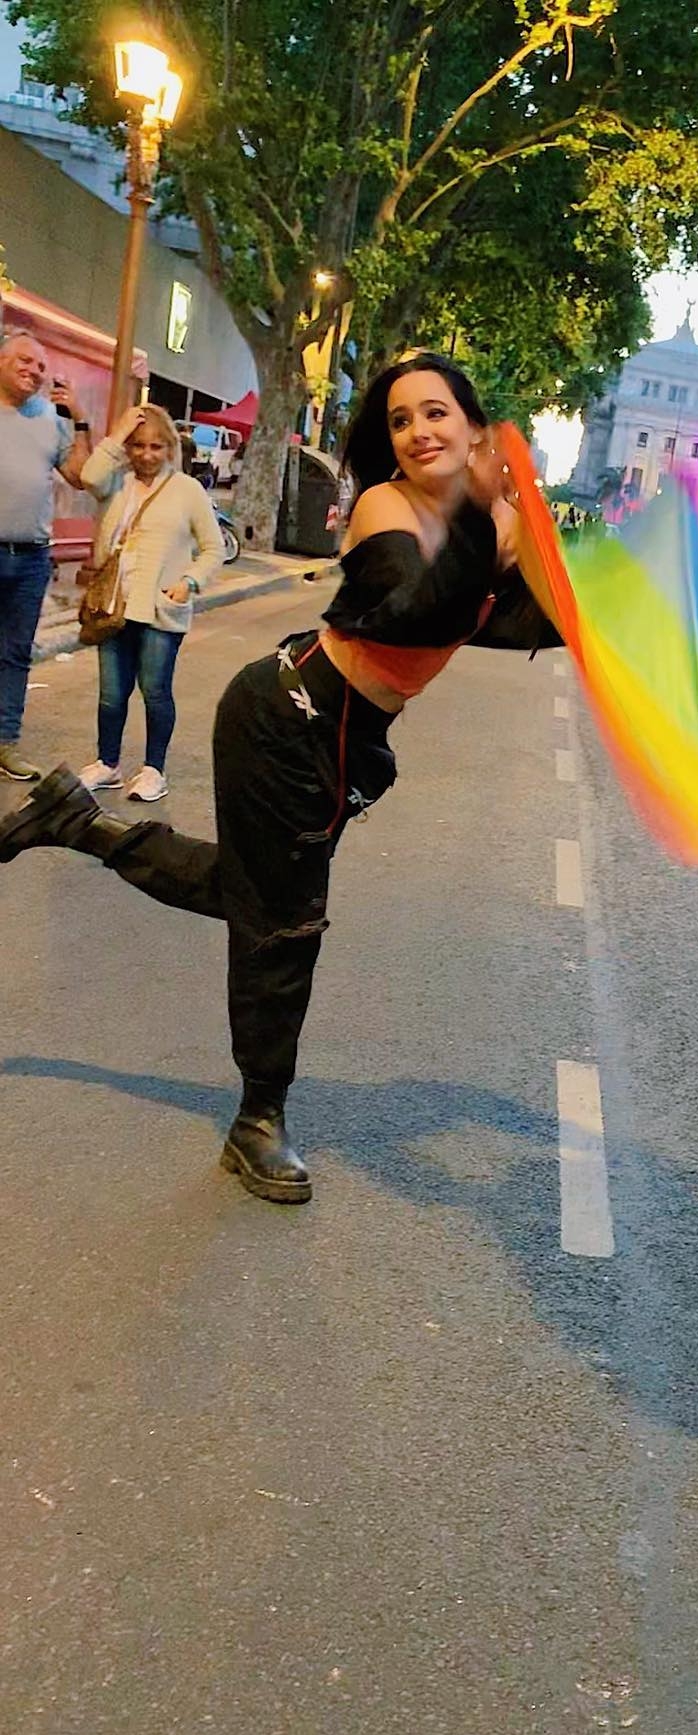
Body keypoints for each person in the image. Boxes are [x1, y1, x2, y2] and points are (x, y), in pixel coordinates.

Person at [0, 351, 559, 1205]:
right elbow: (411, 611)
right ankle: (257, 1119)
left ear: (477, 429)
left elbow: (531, 623)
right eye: (401, 419)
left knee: (248, 892)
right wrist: (490, 534)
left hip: (342, 743)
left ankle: (76, 821)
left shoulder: (492, 525)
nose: (417, 431)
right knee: (285, 926)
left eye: (436, 412)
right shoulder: (385, 509)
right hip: (285, 720)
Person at [76, 403, 225, 802]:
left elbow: (213, 548)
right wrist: (119, 430)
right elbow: (89, 476)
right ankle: (108, 763)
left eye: (156, 446)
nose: (146, 454)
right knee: (111, 694)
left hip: (161, 608)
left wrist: (189, 582)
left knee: (155, 691)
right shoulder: (116, 482)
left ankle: (153, 770)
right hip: (113, 606)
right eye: (138, 445)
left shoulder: (187, 490)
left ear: (170, 448)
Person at [0, 332, 93, 779]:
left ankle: (5, 743)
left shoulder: (50, 421)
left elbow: (80, 476)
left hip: (31, 558)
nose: (35, 370)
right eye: (25, 360)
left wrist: (80, 418)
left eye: (41, 366)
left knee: (16, 654)